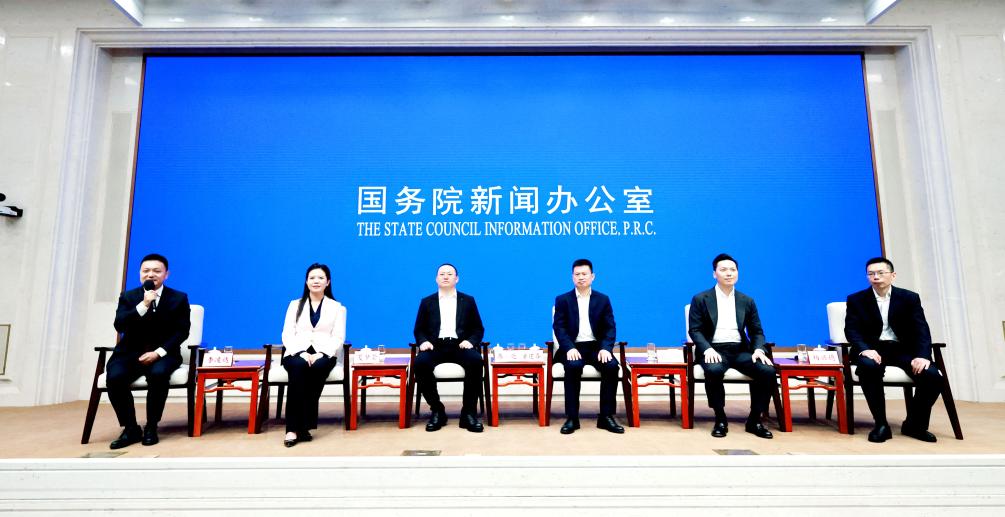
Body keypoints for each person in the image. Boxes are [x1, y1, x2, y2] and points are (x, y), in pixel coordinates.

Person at [844, 257, 942, 443]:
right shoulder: (856, 300)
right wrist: (865, 349)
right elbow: (852, 330)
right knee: (868, 367)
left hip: (902, 350)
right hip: (872, 350)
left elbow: (921, 329)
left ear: (893, 275)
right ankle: (881, 425)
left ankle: (914, 424)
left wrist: (923, 356)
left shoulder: (909, 298)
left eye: (881, 273)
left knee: (932, 376)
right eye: (871, 274)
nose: (876, 277)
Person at [107, 253, 191, 449]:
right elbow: (120, 325)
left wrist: (158, 353)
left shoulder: (178, 298)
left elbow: (182, 331)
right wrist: (143, 305)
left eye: (156, 271)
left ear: (166, 274)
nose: (150, 275)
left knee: (158, 374)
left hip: (164, 353)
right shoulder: (128, 297)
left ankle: (151, 426)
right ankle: (130, 428)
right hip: (130, 353)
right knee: (115, 377)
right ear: (140, 273)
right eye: (146, 271)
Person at [688, 253, 776, 439]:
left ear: (738, 273)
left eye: (733, 270)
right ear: (714, 274)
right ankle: (720, 419)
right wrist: (707, 349)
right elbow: (695, 330)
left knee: (767, 371)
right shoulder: (701, 298)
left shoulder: (747, 300)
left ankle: (754, 420)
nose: (729, 273)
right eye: (723, 270)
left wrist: (758, 349)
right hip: (714, 350)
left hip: (740, 350)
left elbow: (757, 331)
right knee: (713, 370)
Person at [552, 258, 624, 435]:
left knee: (611, 367)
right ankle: (572, 418)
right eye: (577, 274)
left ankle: (606, 416)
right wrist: (569, 348)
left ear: (593, 276)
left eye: (584, 274)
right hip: (572, 347)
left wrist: (606, 348)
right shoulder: (562, 300)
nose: (581, 277)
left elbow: (610, 327)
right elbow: (559, 328)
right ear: (572, 277)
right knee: (573, 366)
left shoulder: (603, 299)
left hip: (596, 348)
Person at [413, 263, 486, 433]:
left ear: (457, 279)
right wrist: (423, 341)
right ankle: (437, 410)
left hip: (460, 345)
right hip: (435, 346)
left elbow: (478, 328)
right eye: (442, 274)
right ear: (436, 278)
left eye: (449, 274)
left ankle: (468, 413)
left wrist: (471, 341)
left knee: (476, 361)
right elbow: (419, 329)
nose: (445, 276)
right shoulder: (427, 302)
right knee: (420, 363)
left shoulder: (468, 300)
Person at [280, 263, 346, 447]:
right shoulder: (294, 305)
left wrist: (321, 354)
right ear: (306, 281)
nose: (316, 281)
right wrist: (300, 352)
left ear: (328, 282)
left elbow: (338, 337)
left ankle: (301, 426)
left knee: (318, 367)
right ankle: (293, 429)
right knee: (299, 367)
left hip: (325, 353)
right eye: (312, 278)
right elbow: (287, 334)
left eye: (320, 278)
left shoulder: (337, 307)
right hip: (296, 351)